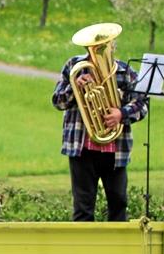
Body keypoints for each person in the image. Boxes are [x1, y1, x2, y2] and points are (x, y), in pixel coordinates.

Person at [52, 29, 148, 222]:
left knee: (119, 202)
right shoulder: (74, 66)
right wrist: (74, 87)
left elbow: (142, 105)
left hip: (115, 149)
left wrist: (121, 114)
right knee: (83, 207)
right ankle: (84, 249)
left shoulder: (125, 72)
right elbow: (58, 101)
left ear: (113, 46)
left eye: (106, 45)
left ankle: (119, 249)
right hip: (82, 148)